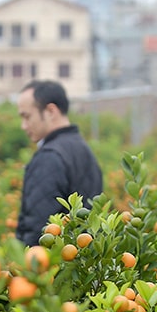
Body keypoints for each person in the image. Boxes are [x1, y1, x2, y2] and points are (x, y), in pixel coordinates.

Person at [15, 79, 103, 246]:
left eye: (27, 116)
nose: (23, 126)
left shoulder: (49, 157)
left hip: (53, 264)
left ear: (50, 111)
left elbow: (38, 227)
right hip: (83, 260)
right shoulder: (83, 149)